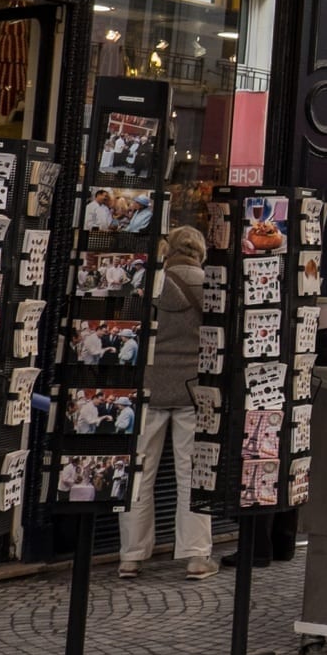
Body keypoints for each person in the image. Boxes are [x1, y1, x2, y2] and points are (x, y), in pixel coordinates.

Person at [119, 225, 217, 580]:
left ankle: (130, 555)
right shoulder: (210, 287)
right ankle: (195, 556)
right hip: (193, 392)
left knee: (138, 473)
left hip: (149, 388)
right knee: (192, 474)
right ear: (200, 251)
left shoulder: (150, 285)